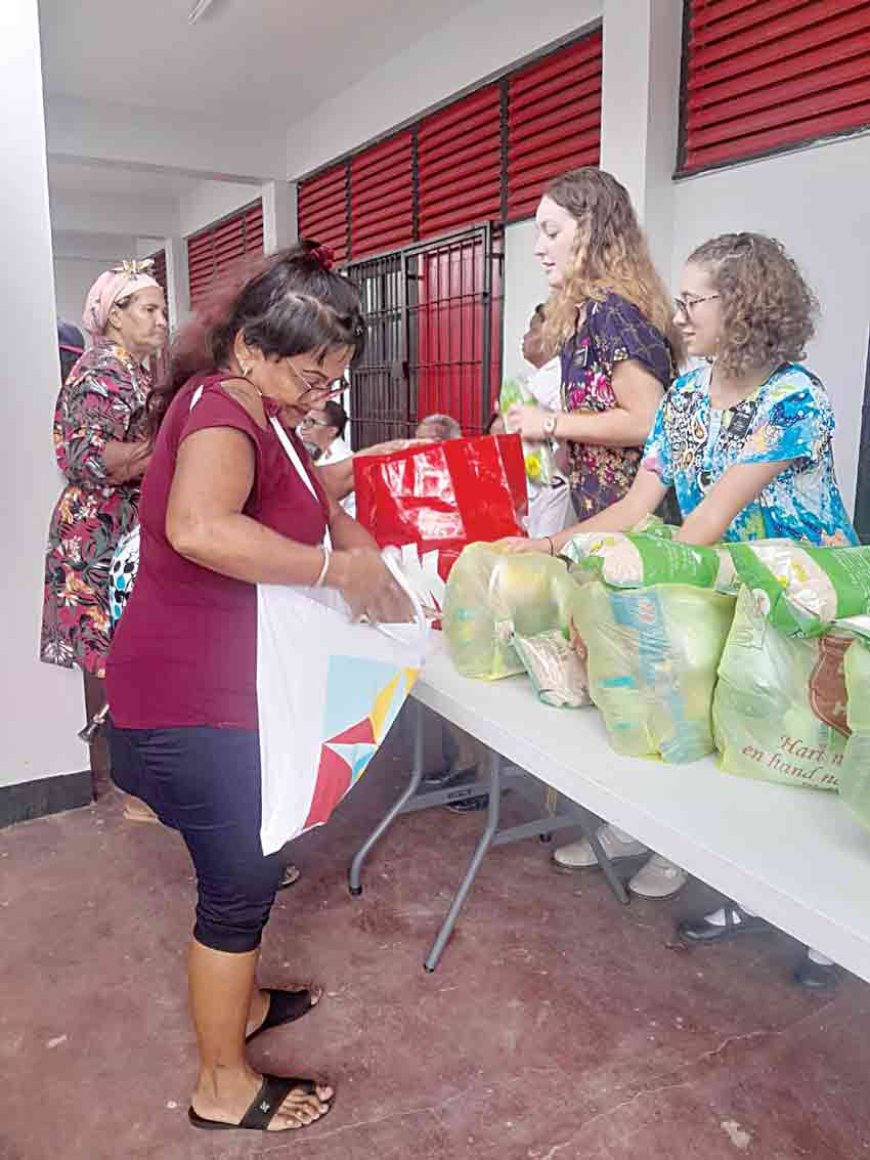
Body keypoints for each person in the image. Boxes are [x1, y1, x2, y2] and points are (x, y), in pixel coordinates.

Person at [105, 242, 412, 1134]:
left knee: (249, 869)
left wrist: (364, 555)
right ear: (248, 350)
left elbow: (309, 496)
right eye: (312, 373)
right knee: (237, 885)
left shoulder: (261, 411)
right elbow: (200, 528)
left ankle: (235, 1008)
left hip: (219, 691)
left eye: (337, 375)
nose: (325, 392)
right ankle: (220, 1084)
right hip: (191, 704)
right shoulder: (218, 413)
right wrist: (333, 572)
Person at [509, 233, 857, 943]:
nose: (680, 314)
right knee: (678, 713)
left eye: (693, 299)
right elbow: (639, 506)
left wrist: (624, 576)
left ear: (744, 306)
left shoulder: (795, 400)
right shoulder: (690, 394)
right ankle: (647, 835)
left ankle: (776, 905)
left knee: (767, 745)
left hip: (791, 598)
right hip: (714, 580)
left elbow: (708, 519)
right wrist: (552, 545)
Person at [41, 261, 168, 813]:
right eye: (149, 309)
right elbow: (88, 457)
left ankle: (136, 778)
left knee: (124, 656)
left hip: (120, 526)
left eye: (164, 309)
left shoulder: (134, 370)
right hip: (99, 531)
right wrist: (174, 451)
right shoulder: (103, 372)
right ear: (114, 317)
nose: (163, 320)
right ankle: (134, 786)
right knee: (117, 659)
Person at [506, 167, 681, 524]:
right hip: (603, 522)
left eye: (551, 232)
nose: (539, 249)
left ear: (591, 232)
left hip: (643, 529)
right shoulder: (581, 318)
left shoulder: (613, 313)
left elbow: (647, 421)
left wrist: (551, 424)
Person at [505, 304, 572, 539]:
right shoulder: (538, 378)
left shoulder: (558, 374)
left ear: (552, 335)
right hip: (534, 484)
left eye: (532, 330)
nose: (524, 337)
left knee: (541, 555)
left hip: (549, 485)